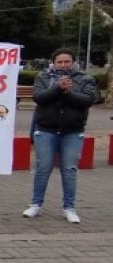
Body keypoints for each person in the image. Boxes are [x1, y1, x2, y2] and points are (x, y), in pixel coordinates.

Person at [23, 48, 98, 224]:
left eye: (67, 62)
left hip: (72, 131)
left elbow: (88, 100)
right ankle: (36, 204)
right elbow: (39, 97)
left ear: (73, 62)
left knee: (69, 170)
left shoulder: (84, 78)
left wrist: (68, 92)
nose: (63, 65)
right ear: (53, 63)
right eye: (59, 62)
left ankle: (69, 208)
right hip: (46, 130)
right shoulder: (43, 76)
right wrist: (57, 88)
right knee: (43, 169)